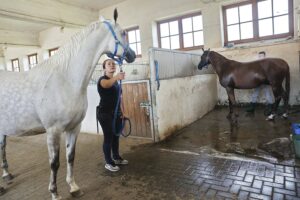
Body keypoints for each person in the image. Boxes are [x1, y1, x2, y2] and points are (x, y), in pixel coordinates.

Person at [97, 59, 128, 172]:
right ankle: (108, 162)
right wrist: (116, 77)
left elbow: (120, 98)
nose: (112, 65)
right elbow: (106, 85)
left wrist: (123, 111)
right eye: (109, 64)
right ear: (104, 68)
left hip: (116, 114)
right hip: (105, 114)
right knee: (108, 138)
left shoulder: (115, 82)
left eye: (113, 64)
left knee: (116, 137)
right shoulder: (103, 80)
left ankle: (116, 157)